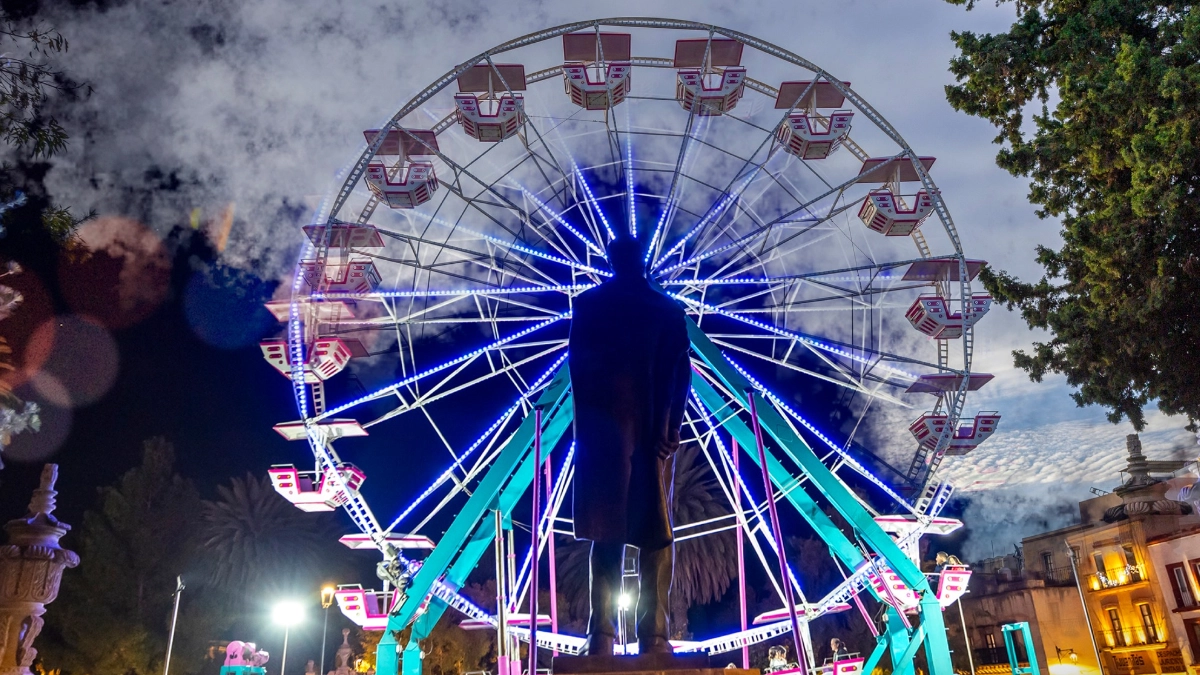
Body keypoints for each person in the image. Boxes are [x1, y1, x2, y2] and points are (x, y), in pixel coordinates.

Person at [569, 235, 691, 656]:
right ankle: (654, 635)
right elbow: (681, 379)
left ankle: (599, 635)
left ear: (610, 260)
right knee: (656, 538)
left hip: (604, 437)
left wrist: (586, 432)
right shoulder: (668, 311)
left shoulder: (587, 307)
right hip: (652, 437)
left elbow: (578, 375)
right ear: (644, 262)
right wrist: (671, 430)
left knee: (606, 535)